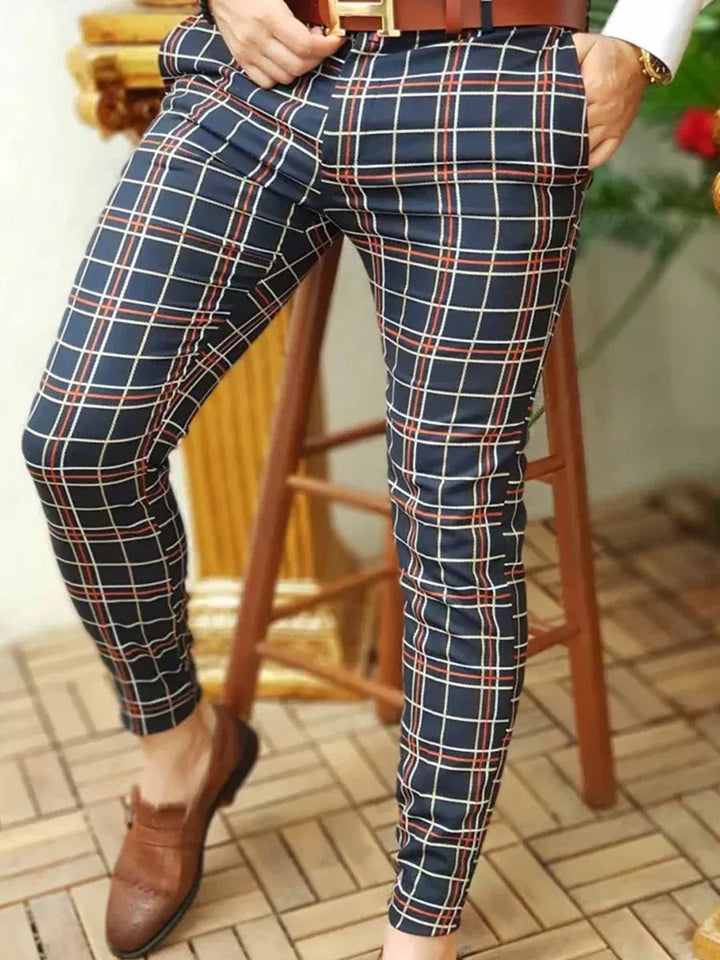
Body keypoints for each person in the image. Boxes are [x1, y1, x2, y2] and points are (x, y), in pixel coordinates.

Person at [21, 0, 710, 957]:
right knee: (79, 441)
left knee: (453, 532)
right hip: (259, 69)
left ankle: (420, 931)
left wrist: (645, 38)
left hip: (490, 81)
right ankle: (181, 752)